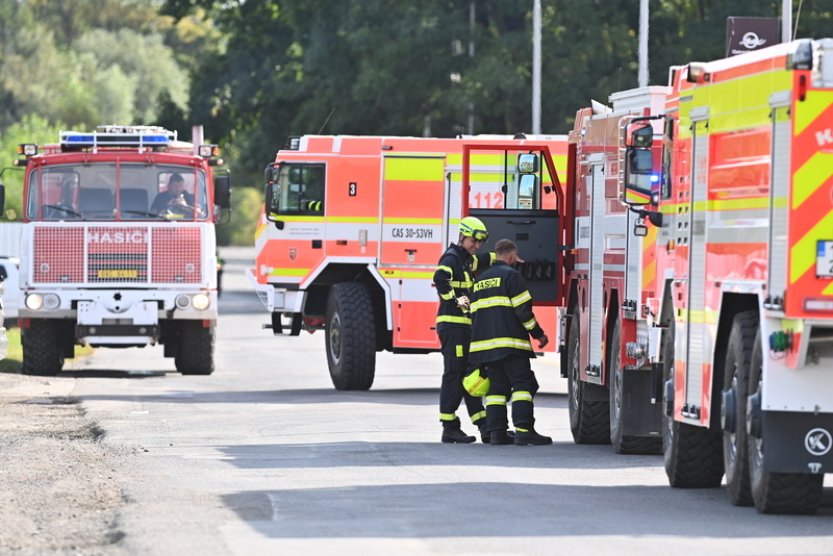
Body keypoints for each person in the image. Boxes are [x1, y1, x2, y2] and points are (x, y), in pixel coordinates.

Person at [469, 238, 551, 446]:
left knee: (497, 388)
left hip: (484, 347)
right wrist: (539, 334)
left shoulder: (480, 281)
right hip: (511, 345)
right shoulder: (512, 277)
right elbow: (524, 311)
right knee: (523, 384)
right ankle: (524, 430)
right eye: (516, 258)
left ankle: (497, 433)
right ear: (512, 255)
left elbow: (473, 316)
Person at [432, 216, 494, 443]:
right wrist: (456, 300)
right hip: (452, 326)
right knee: (455, 374)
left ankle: (483, 424)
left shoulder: (465, 260)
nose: (477, 246)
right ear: (463, 236)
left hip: (462, 327)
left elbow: (484, 260)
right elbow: (439, 278)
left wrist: (503, 256)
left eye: (480, 243)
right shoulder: (451, 258)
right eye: (474, 241)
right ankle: (449, 426)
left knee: (469, 375)